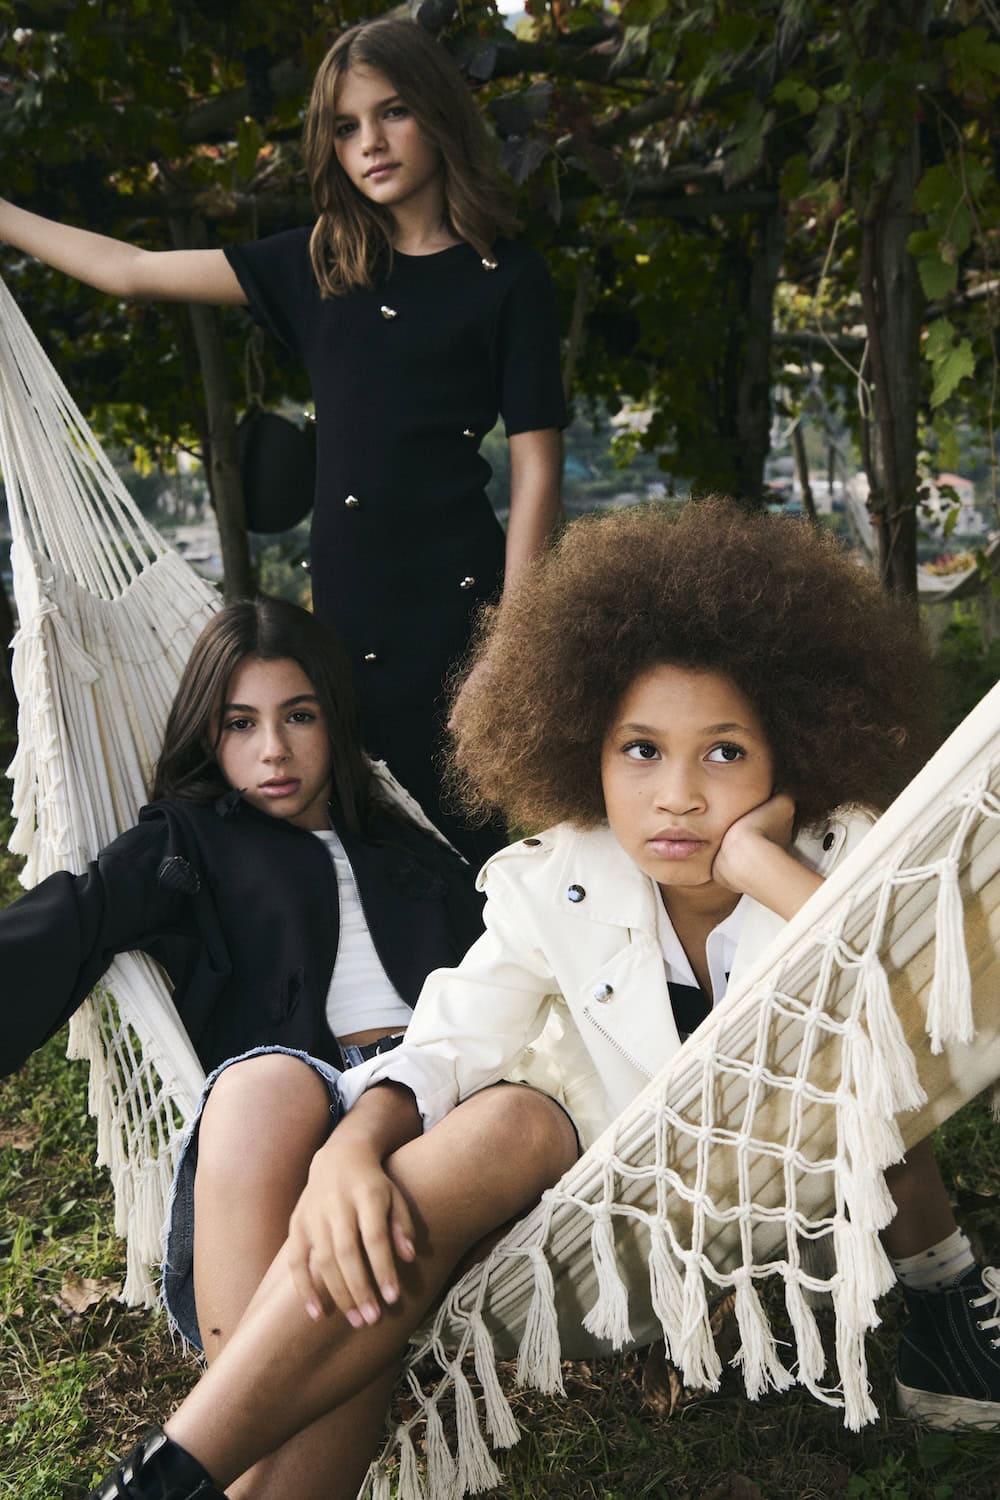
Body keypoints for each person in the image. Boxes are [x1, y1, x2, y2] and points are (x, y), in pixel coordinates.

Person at [82, 498, 998, 1500]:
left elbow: (911, 1019)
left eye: (724, 753)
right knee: (505, 1117)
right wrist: (353, 1145)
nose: (679, 795)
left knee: (531, 1117)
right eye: (639, 750)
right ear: (586, 754)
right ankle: (167, 1477)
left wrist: (755, 864)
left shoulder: (837, 859)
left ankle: (947, 1292)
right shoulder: (552, 877)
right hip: (590, 1167)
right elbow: (454, 1034)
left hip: (765, 1151)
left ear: (791, 753)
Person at [0, 17, 567, 866]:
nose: (369, 143)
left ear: (439, 116)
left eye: (393, 113)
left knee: (467, 863)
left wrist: (509, 644)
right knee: (355, 855)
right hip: (340, 619)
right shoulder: (322, 264)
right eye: (345, 127)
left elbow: (535, 468)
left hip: (458, 611)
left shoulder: (510, 278)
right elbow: (131, 271)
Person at [0, 594, 485, 1489]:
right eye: (241, 723)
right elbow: (74, 921)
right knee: (266, 1092)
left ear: (333, 720)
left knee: (376, 1240)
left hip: (427, 1091)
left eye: (298, 716)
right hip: (283, 1096)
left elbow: (505, 972)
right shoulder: (191, 841)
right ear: (209, 736)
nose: (274, 750)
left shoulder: (407, 847)